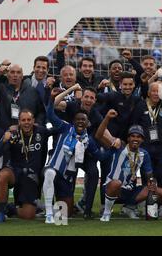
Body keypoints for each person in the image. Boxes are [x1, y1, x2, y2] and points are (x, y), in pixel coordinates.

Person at [42, 90, 106, 224]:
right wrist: (52, 97)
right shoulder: (64, 127)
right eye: (78, 120)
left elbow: (100, 156)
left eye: (83, 120)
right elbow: (50, 114)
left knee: (64, 215)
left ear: (88, 122)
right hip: (55, 168)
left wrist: (113, 149)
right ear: (73, 121)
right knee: (49, 173)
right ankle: (48, 213)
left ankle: (76, 208)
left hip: (67, 176)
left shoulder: (88, 140)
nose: (81, 122)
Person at [95, 110, 162, 222]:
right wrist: (107, 118)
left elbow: (149, 173)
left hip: (130, 190)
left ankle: (130, 207)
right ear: (128, 138)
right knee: (116, 183)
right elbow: (99, 135)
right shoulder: (119, 146)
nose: (135, 139)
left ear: (142, 139)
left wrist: (152, 184)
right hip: (113, 188)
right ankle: (107, 213)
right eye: (132, 136)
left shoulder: (144, 154)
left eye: (138, 137)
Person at [0, 110, 52, 223]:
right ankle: (1, 212)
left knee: (29, 215)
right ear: (19, 122)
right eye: (23, 120)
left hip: (31, 177)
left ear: (33, 121)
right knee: (3, 175)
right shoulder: (13, 134)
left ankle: (10, 209)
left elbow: (57, 129)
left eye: (29, 120)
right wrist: (3, 140)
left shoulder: (41, 131)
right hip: (15, 172)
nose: (26, 123)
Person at [132, 82, 162, 216]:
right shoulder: (140, 106)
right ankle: (149, 204)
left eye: (159, 91)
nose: (156, 94)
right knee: (147, 177)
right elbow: (134, 125)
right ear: (149, 93)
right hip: (145, 148)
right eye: (154, 91)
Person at [0, 62, 45, 131]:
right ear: (7, 75)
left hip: (25, 133)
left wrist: (37, 123)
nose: (15, 75)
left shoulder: (32, 91)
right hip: (3, 132)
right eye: (12, 72)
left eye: (18, 72)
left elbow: (41, 111)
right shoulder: (1, 89)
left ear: (22, 75)